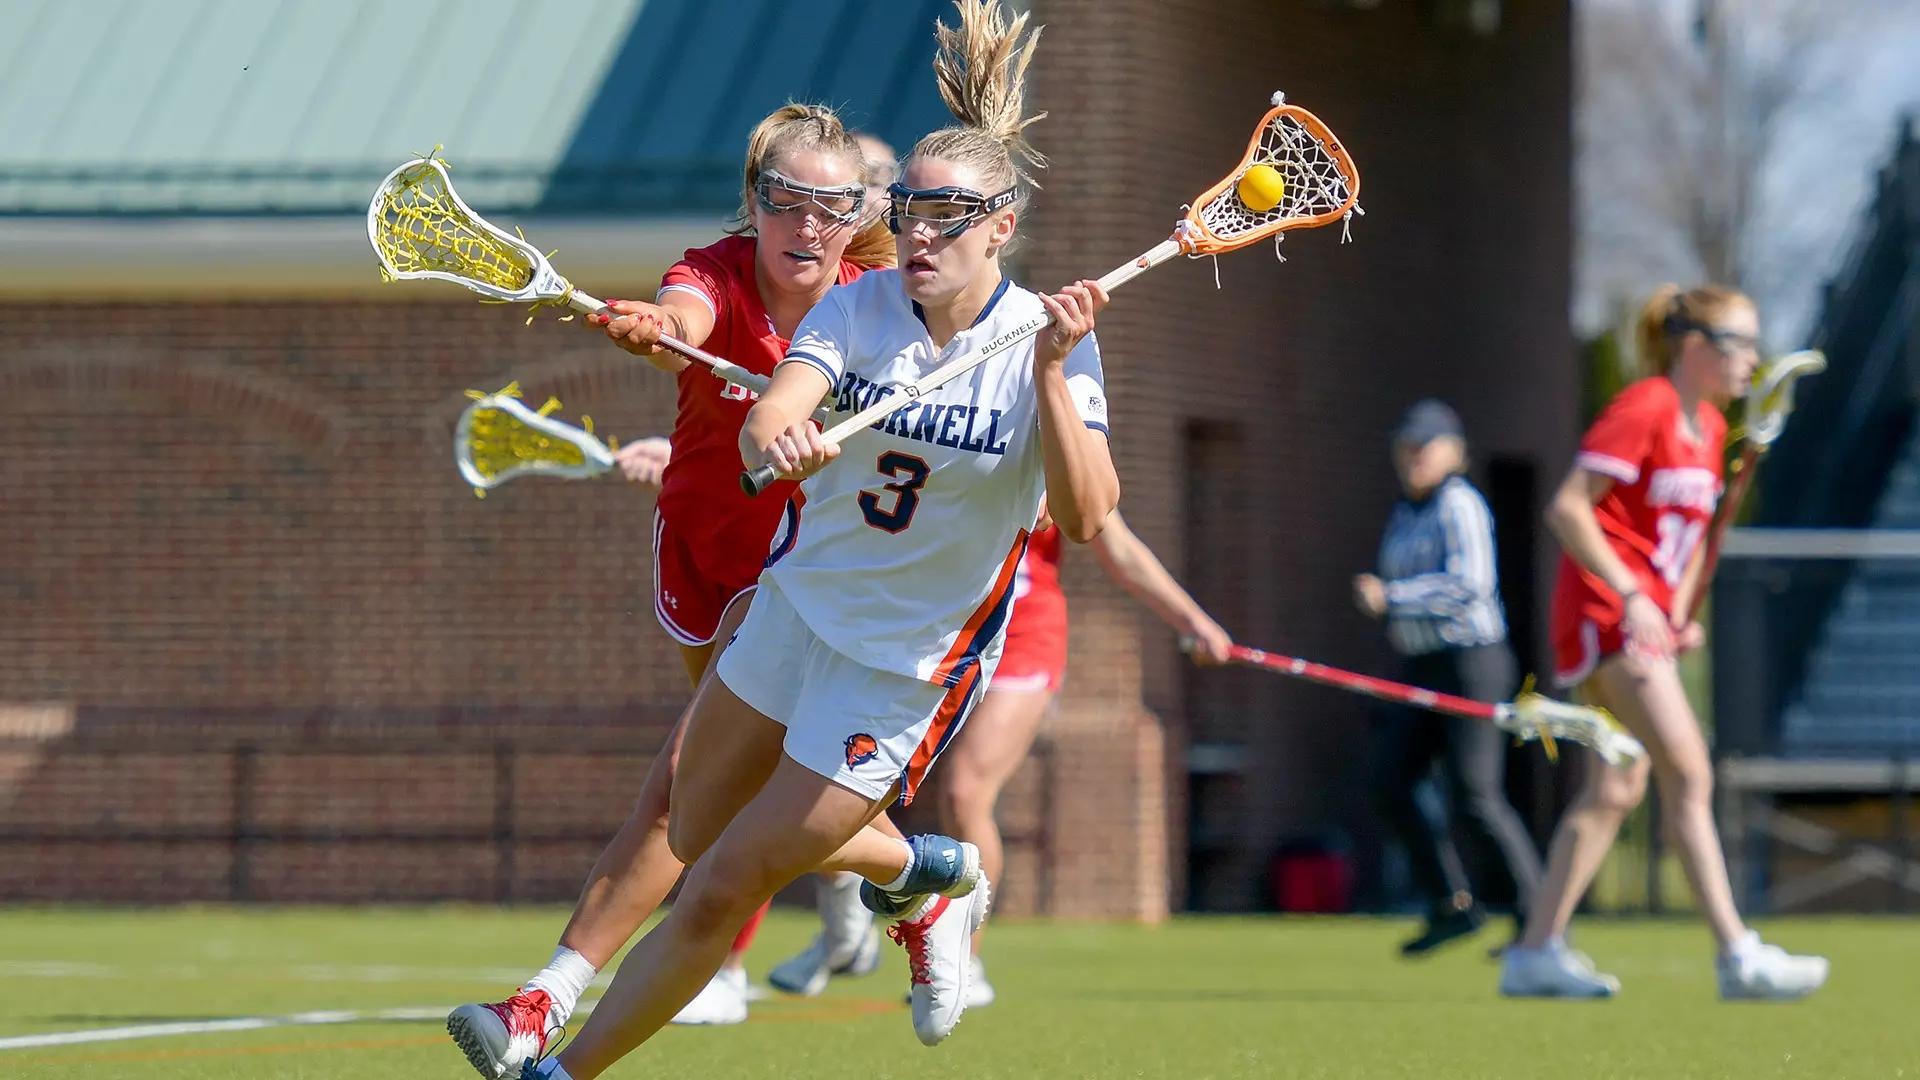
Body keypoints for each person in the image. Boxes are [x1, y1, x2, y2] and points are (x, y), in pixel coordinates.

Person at [520, 3, 1118, 1075]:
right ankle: (933, 879)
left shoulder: (1049, 346)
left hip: (901, 669)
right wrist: (781, 433)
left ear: (1003, 225)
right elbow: (767, 415)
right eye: (910, 212)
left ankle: (562, 1065)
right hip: (792, 615)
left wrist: (1048, 379)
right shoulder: (857, 310)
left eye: (949, 216)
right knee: (689, 817)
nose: (921, 235)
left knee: (723, 878)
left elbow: (1086, 514)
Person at [445, 102, 927, 1078]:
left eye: (833, 207)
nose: (809, 226)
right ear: (756, 203)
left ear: (857, 214)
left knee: (679, 791)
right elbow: (684, 322)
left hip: (799, 577)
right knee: (730, 799)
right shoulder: (711, 271)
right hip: (700, 557)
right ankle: (922, 874)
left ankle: (544, 1002)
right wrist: (661, 330)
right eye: (787, 201)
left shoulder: (880, 304)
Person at [1498, 285, 1829, 1000]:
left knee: (1617, 785)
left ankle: (1534, 951)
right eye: (1740, 342)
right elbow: (1567, 508)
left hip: (1639, 616)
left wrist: (1675, 612)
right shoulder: (1644, 406)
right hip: (1602, 613)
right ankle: (1737, 955)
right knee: (1690, 771)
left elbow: (1673, 546)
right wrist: (1633, 596)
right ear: (1695, 345)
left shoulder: (1710, 428)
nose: (1752, 360)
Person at [770, 507, 1235, 1005]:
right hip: (933, 632)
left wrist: (1193, 620)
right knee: (840, 774)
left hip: (1023, 635)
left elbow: (1116, 545)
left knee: (965, 791)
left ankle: (961, 962)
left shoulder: (1060, 439)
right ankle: (847, 931)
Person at [1353, 399, 1542, 957]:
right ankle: (1449, 904)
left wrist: (1392, 598)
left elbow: (1470, 584)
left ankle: (1539, 918)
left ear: (1454, 452)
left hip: (1471, 663)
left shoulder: (1460, 504)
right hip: (1424, 666)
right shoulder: (1405, 512)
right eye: (1405, 446)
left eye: (1425, 445)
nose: (1413, 456)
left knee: (1475, 795)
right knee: (1390, 778)